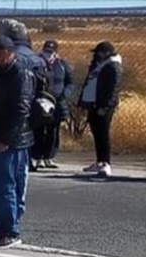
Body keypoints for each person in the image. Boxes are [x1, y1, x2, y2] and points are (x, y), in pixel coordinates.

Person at [0, 34, 35, 248]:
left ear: (4, 53)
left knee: (6, 186)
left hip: (11, 141)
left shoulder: (19, 73)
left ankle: (10, 230)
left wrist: (5, 139)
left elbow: (20, 110)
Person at [79, 41, 123, 179]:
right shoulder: (97, 65)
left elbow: (113, 89)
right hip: (93, 103)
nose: (97, 55)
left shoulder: (113, 66)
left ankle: (106, 163)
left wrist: (105, 106)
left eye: (99, 53)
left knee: (103, 134)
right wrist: (82, 101)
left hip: (104, 105)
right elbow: (89, 82)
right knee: (96, 133)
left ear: (107, 53)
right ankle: (99, 161)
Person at [32, 40, 74, 171]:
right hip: (40, 102)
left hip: (57, 102)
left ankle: (49, 157)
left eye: (51, 52)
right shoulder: (37, 63)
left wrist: (64, 94)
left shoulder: (62, 65)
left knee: (53, 130)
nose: (48, 54)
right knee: (38, 130)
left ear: (56, 52)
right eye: (46, 51)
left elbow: (70, 81)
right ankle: (38, 157)